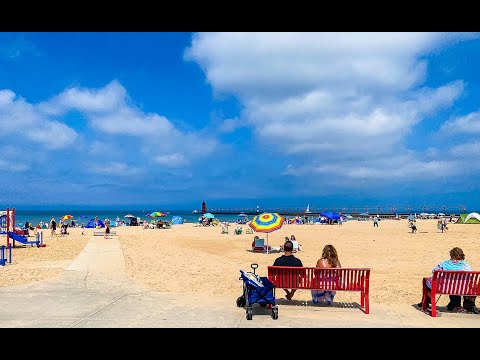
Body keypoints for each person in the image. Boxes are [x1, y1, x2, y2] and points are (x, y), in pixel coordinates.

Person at [417, 247, 479, 314]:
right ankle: (461, 305)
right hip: (461, 289)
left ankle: (425, 302)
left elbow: (434, 271)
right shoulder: (466, 265)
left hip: (443, 288)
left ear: (451, 255)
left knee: (427, 281)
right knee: (458, 285)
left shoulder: (443, 263)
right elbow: (469, 277)